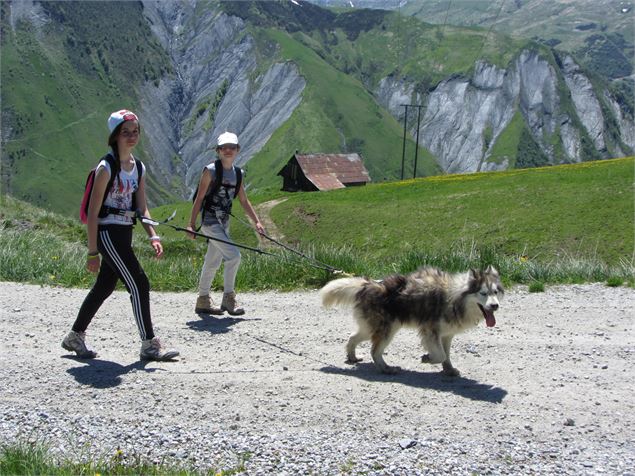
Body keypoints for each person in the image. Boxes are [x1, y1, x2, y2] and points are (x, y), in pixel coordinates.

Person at [62, 109, 179, 361]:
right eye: (126, 132)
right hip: (107, 233)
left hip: (124, 232)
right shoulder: (106, 167)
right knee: (139, 283)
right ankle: (149, 344)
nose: (131, 136)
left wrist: (153, 235)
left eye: (135, 131)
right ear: (115, 135)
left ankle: (75, 336)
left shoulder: (138, 168)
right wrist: (92, 252)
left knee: (104, 286)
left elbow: (142, 207)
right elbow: (93, 214)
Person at [187, 131, 265, 316]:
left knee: (212, 261)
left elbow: (244, 201)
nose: (228, 151)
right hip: (210, 222)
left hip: (224, 223)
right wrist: (191, 224)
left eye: (232, 147)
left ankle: (203, 300)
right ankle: (229, 298)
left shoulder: (238, 173)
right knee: (234, 256)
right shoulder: (210, 171)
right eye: (224, 148)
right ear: (218, 150)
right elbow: (199, 198)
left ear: (238, 150)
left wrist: (257, 222)